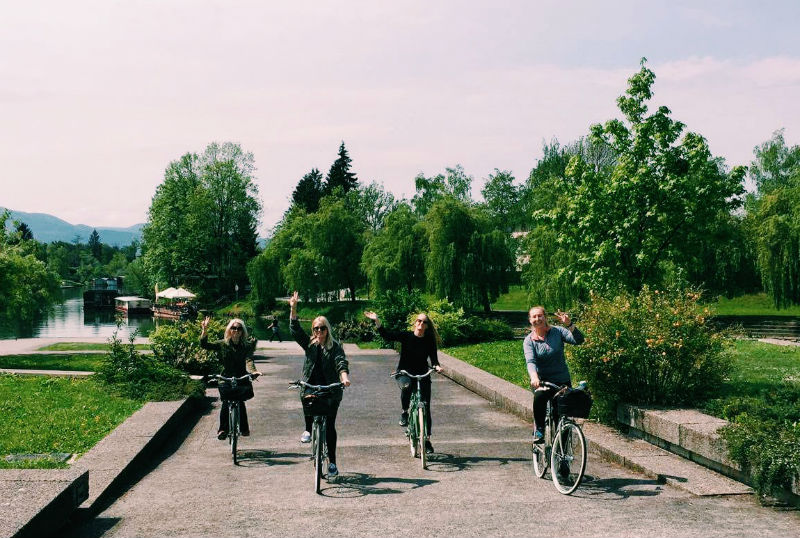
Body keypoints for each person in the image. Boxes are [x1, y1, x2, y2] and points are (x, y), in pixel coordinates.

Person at [289, 291, 351, 477]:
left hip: (330, 389)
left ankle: (332, 463)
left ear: (327, 330)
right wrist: (293, 309)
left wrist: (344, 377)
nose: (319, 332)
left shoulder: (335, 347)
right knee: (305, 396)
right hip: (311, 385)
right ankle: (308, 429)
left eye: (322, 328)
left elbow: (341, 362)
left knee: (330, 425)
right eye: (316, 328)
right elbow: (295, 330)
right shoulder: (309, 344)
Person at [364, 310, 442, 454]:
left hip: (422, 374)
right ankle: (405, 412)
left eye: (424, 322)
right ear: (415, 323)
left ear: (427, 326)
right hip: (405, 372)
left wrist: (437, 366)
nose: (421, 323)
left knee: (425, 406)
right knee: (406, 387)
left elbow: (434, 359)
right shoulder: (406, 336)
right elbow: (387, 335)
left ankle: (427, 440)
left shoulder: (429, 340)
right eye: (419, 320)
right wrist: (377, 320)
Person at [524, 306, 584, 445]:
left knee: (563, 418)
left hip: (562, 381)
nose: (537, 319)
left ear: (545, 317)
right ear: (530, 320)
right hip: (543, 382)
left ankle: (562, 458)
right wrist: (534, 377)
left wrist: (569, 325)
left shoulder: (557, 332)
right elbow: (530, 361)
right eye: (534, 317)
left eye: (540, 316)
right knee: (539, 396)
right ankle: (539, 429)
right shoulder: (529, 341)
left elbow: (579, 340)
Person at [200, 317, 261, 440]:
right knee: (226, 401)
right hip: (225, 378)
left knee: (240, 401)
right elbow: (205, 345)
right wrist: (204, 330)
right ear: (229, 330)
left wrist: (254, 372)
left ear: (242, 331)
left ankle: (244, 429)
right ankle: (223, 429)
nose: (236, 331)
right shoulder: (223, 344)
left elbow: (249, 360)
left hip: (241, 377)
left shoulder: (246, 345)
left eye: (239, 329)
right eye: (233, 328)